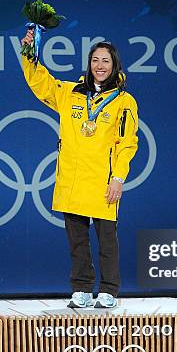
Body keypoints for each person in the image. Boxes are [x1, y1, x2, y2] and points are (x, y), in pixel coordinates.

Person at [21, 30, 139, 308]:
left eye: (106, 61)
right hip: (72, 179)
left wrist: (118, 177)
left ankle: (109, 289)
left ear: (115, 66)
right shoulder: (70, 93)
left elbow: (127, 143)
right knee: (77, 240)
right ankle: (82, 287)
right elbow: (42, 84)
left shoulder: (124, 102)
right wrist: (29, 55)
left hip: (102, 181)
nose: (100, 66)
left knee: (107, 240)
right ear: (89, 64)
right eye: (95, 60)